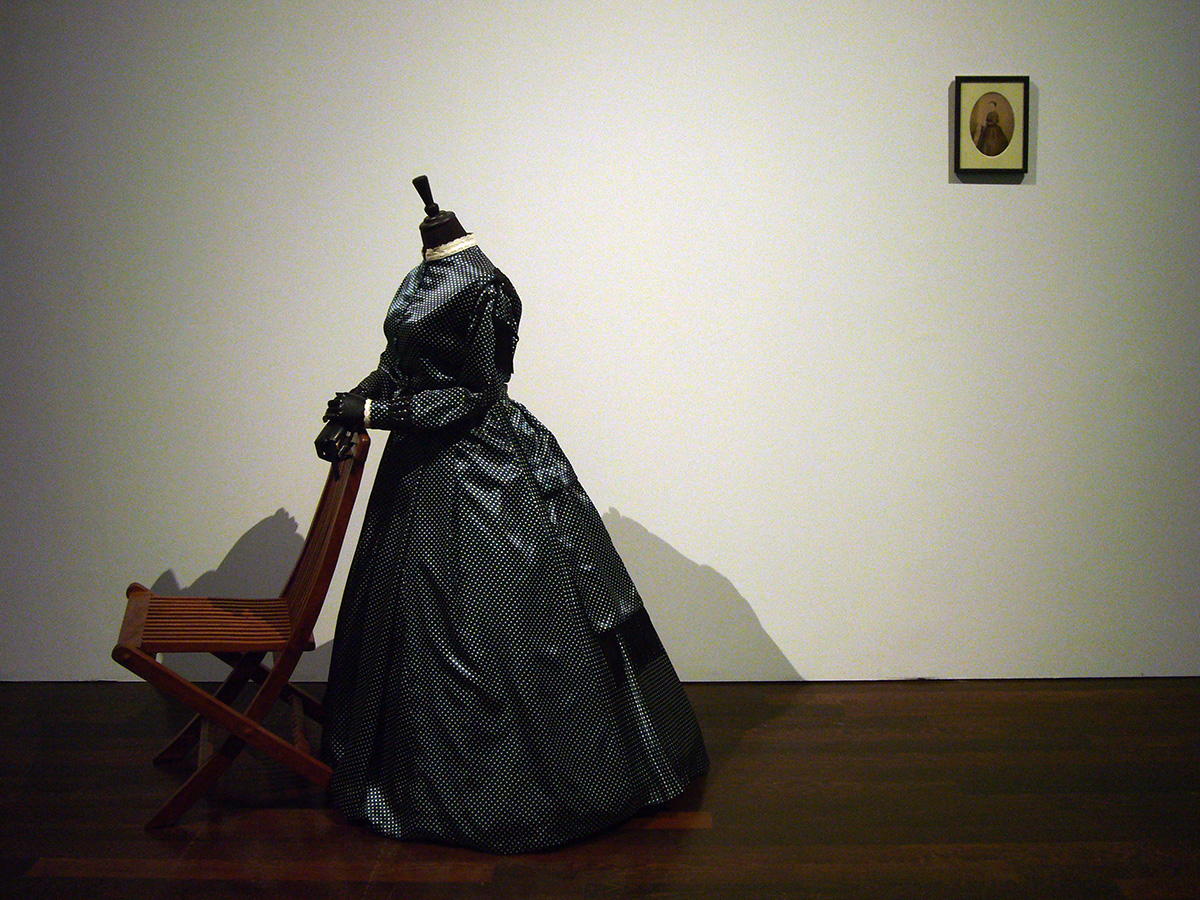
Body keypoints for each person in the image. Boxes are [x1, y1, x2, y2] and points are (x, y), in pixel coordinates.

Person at [318, 177, 709, 854]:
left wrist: (378, 413)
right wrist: (353, 399)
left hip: (479, 469)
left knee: (489, 620)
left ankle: (516, 792)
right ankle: (397, 770)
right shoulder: (417, 278)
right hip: (417, 470)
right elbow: (396, 364)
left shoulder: (486, 285)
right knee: (412, 617)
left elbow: (477, 393)